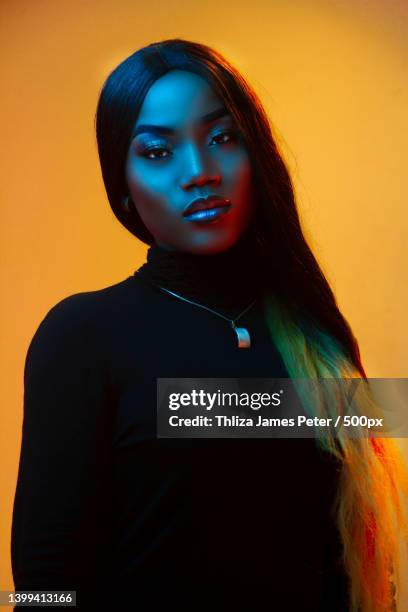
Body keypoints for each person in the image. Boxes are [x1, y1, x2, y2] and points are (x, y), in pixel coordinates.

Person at [11, 38, 408, 612]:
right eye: (157, 152)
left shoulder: (314, 333)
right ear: (121, 186)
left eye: (222, 138)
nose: (200, 173)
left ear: (258, 154)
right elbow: (44, 588)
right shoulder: (82, 336)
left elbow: (353, 565)